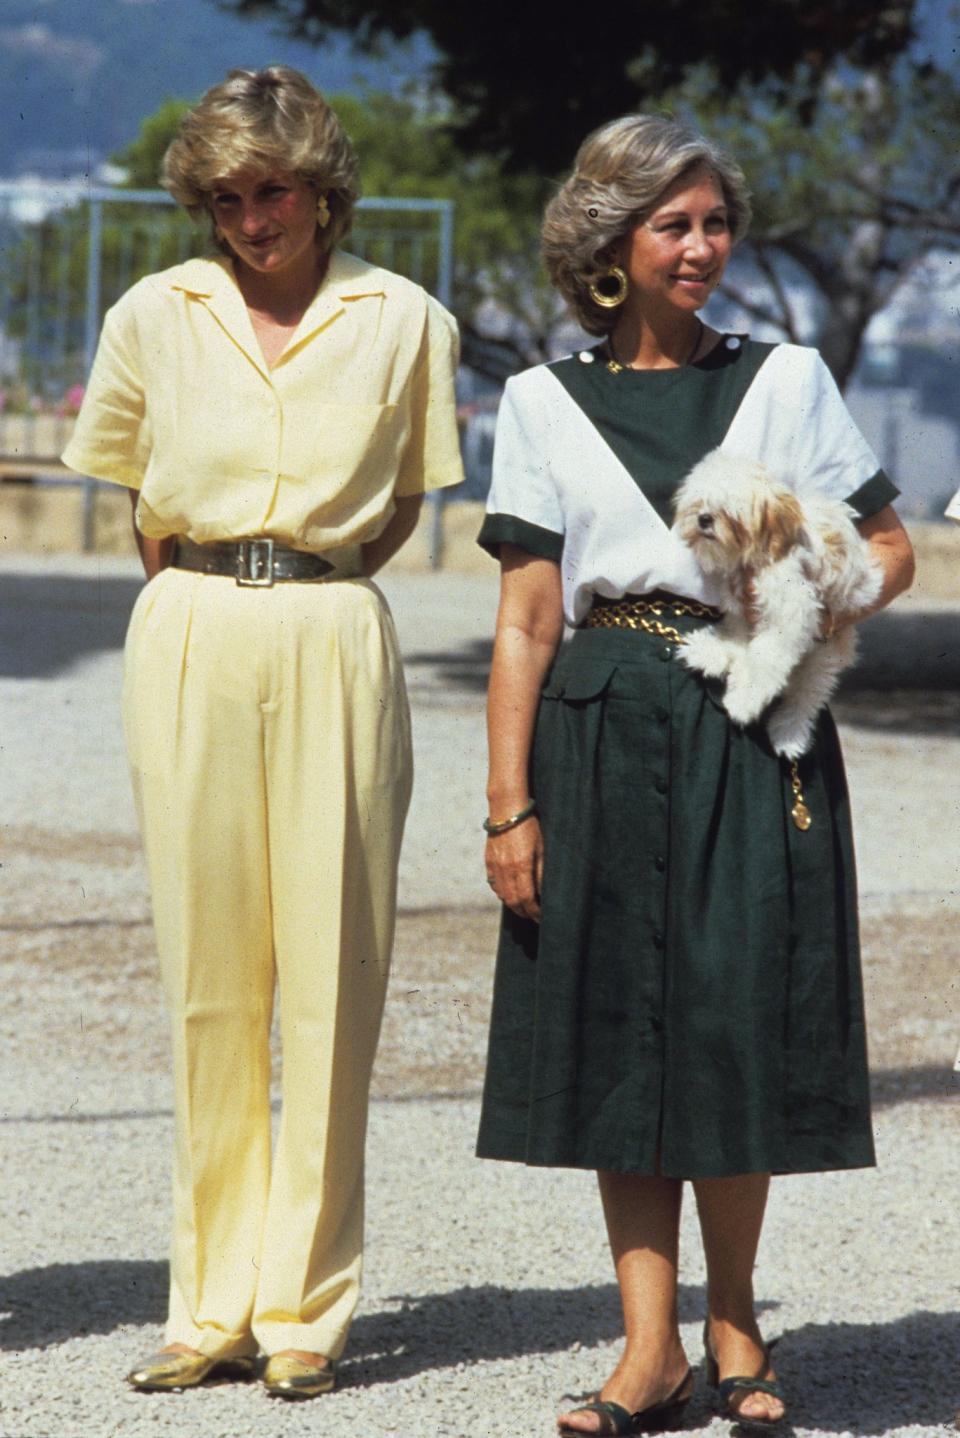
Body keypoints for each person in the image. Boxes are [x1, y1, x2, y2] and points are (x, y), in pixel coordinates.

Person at [477, 114, 914, 1436]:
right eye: (676, 223)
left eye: (716, 221)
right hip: (602, 722)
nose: (705, 246)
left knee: (734, 1015)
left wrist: (830, 586)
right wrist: (508, 802)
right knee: (620, 1026)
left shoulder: (786, 380)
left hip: (749, 718)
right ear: (608, 239)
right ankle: (647, 1346)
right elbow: (526, 619)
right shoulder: (541, 401)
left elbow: (894, 546)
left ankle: (738, 1326)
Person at [63, 66, 462, 1399]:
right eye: (225, 197)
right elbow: (140, 504)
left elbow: (406, 499)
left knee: (335, 975)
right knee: (207, 978)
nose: (250, 217)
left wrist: (316, 576)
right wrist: (212, 597)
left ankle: (305, 1306)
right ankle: (208, 1300)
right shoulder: (151, 313)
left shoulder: (407, 321)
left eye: (271, 190)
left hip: (336, 624)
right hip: (188, 625)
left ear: (323, 189)